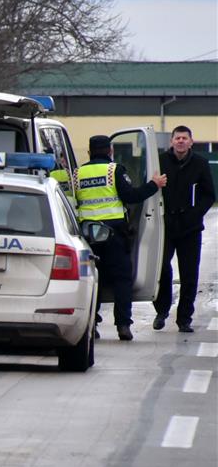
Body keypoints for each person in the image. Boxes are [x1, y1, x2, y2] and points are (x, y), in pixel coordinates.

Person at [73, 135, 167, 341]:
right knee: (122, 280)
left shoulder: (77, 174)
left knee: (91, 280)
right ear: (110, 151)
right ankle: (123, 325)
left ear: (89, 152)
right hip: (114, 234)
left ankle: (92, 323)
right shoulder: (114, 170)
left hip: (87, 235)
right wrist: (154, 184)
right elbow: (131, 196)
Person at [153, 126, 215, 333]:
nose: (180, 141)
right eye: (177, 138)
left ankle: (184, 318)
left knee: (189, 274)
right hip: (166, 226)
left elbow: (209, 195)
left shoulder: (200, 163)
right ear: (171, 141)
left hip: (190, 228)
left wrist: (195, 213)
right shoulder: (160, 161)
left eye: (184, 138)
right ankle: (161, 310)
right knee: (162, 269)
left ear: (191, 141)